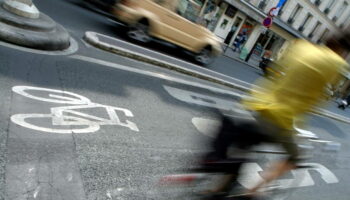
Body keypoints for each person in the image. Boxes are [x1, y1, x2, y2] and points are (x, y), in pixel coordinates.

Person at [201, 32, 350, 199]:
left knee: (243, 147)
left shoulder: (301, 46)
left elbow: (275, 73)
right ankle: (253, 192)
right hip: (279, 119)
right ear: (343, 51)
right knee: (295, 157)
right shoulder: (337, 64)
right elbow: (317, 101)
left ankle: (218, 190)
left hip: (254, 105)